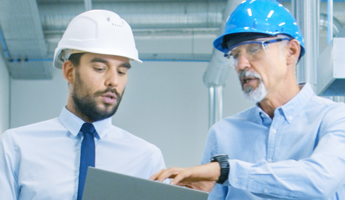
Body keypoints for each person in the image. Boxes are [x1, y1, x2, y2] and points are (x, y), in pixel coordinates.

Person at [150, 0, 345, 199]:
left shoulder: (335, 119)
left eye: (254, 49)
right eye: (234, 55)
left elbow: (321, 180)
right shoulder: (223, 134)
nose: (241, 64)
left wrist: (227, 172)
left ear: (291, 52)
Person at [0, 10, 166, 200]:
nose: (113, 81)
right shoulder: (16, 147)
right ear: (70, 71)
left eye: (121, 71)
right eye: (100, 68)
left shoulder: (147, 158)